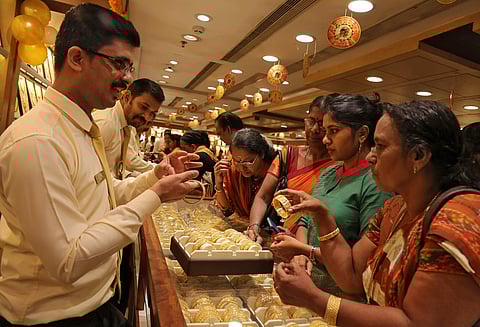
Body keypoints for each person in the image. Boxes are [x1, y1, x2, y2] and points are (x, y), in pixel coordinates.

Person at [0, 4, 200, 326]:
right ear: (77, 58)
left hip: (95, 303)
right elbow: (69, 261)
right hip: (55, 317)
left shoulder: (82, 128)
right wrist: (156, 196)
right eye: (119, 63)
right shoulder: (37, 142)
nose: (128, 78)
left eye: (130, 67)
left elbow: (106, 196)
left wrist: (155, 177)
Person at [273, 101, 480, 327]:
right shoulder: (395, 208)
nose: (371, 156)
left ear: (418, 156)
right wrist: (323, 217)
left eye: (380, 146)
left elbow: (416, 323)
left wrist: (313, 298)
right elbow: (351, 277)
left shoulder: (456, 219)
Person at [271, 93, 392, 297]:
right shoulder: (329, 173)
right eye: (326, 131)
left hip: (344, 295)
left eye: (334, 131)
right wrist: (302, 253)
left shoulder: (374, 183)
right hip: (310, 281)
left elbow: (363, 261)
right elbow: (306, 220)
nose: (325, 139)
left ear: (362, 134)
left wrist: (305, 251)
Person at [248, 95, 336, 241]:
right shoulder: (288, 155)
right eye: (311, 121)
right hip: (281, 236)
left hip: (316, 242)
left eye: (321, 124)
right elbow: (263, 196)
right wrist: (254, 227)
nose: (314, 129)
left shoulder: (339, 164)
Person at [93, 78, 164, 178]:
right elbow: (89, 174)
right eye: (143, 107)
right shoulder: (107, 123)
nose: (147, 118)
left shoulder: (126, 127)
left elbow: (113, 169)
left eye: (152, 114)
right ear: (126, 97)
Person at [215, 128, 277, 221]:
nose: (242, 168)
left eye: (248, 162)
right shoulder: (233, 171)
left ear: (262, 154)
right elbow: (228, 211)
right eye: (237, 161)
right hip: (245, 229)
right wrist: (219, 185)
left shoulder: (276, 172)